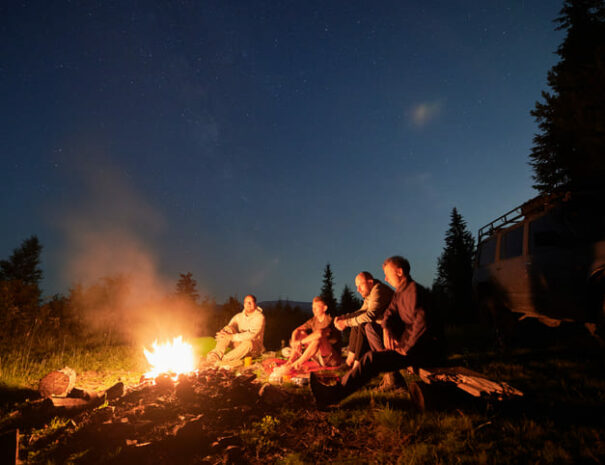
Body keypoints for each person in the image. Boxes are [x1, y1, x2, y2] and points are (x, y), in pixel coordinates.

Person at [310, 256, 444, 407]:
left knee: (371, 359)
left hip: (424, 350)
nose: (385, 278)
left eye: (388, 274)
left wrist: (404, 348)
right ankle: (331, 394)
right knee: (370, 357)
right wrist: (387, 329)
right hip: (410, 347)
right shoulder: (401, 292)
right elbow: (388, 315)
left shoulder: (414, 291)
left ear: (399, 272)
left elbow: (422, 321)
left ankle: (332, 395)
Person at [334, 272, 393, 370]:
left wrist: (346, 323)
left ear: (370, 282)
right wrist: (344, 317)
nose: (358, 290)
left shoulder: (378, 290)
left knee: (362, 324)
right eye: (357, 287)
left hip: (390, 331)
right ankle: (350, 361)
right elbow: (362, 311)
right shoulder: (371, 293)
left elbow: (370, 315)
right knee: (357, 323)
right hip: (381, 328)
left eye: (360, 285)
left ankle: (357, 366)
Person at [285, 296, 342, 370]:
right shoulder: (313, 320)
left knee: (318, 339)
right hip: (319, 358)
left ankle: (297, 364)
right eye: (313, 307)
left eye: (316, 307)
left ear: (324, 308)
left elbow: (320, 333)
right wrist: (294, 341)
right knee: (301, 333)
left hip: (332, 360)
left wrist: (299, 342)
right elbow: (296, 330)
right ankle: (290, 361)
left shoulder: (331, 321)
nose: (313, 310)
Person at [206, 294, 265, 364]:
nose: (248, 304)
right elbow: (228, 328)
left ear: (255, 304)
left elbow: (252, 335)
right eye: (246, 302)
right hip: (239, 345)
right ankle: (214, 356)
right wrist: (222, 334)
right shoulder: (238, 317)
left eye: (251, 302)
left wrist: (232, 337)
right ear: (244, 304)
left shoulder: (259, 317)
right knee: (228, 329)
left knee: (248, 343)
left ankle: (223, 360)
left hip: (253, 348)